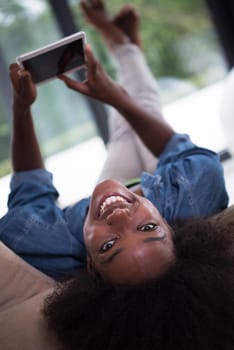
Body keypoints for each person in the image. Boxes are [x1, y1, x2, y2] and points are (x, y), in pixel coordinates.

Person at [0, 0, 228, 285]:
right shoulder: (194, 195)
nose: (119, 217)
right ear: (171, 230)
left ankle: (124, 45)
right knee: (142, 107)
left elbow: (29, 187)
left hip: (118, 200)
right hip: (160, 194)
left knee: (127, 128)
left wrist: (21, 109)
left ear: (90, 265)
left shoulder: (39, 242)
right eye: (147, 228)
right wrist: (113, 96)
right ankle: (122, 44)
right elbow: (176, 148)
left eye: (109, 246)